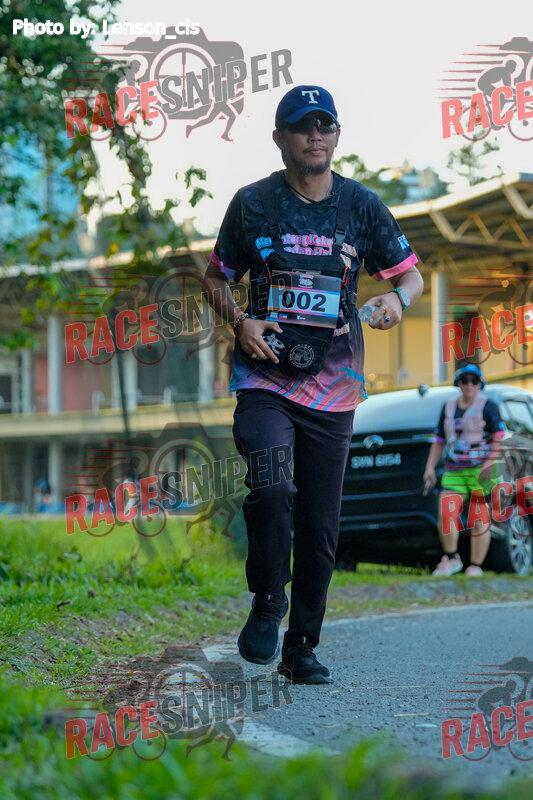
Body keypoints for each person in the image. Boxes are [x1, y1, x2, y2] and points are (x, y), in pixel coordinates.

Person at [205, 85, 423, 684]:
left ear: (337, 135)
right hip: (265, 379)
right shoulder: (252, 204)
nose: (315, 135)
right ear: (280, 137)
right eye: (303, 126)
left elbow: (411, 277)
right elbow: (215, 277)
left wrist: (397, 301)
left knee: (321, 527)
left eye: (325, 124)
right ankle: (268, 598)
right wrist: (240, 320)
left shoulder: (363, 206)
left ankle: (301, 647)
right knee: (273, 486)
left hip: (335, 389)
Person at [423, 364, 506, 577]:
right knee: (446, 514)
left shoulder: (489, 406)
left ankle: (475, 566)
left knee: (479, 518)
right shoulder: (448, 407)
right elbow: (439, 440)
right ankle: (451, 558)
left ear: (480, 384)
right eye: (465, 380)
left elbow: (498, 439)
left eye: (474, 381)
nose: (469, 385)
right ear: (458, 383)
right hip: (454, 469)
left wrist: (489, 463)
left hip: (481, 471)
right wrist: (430, 467)